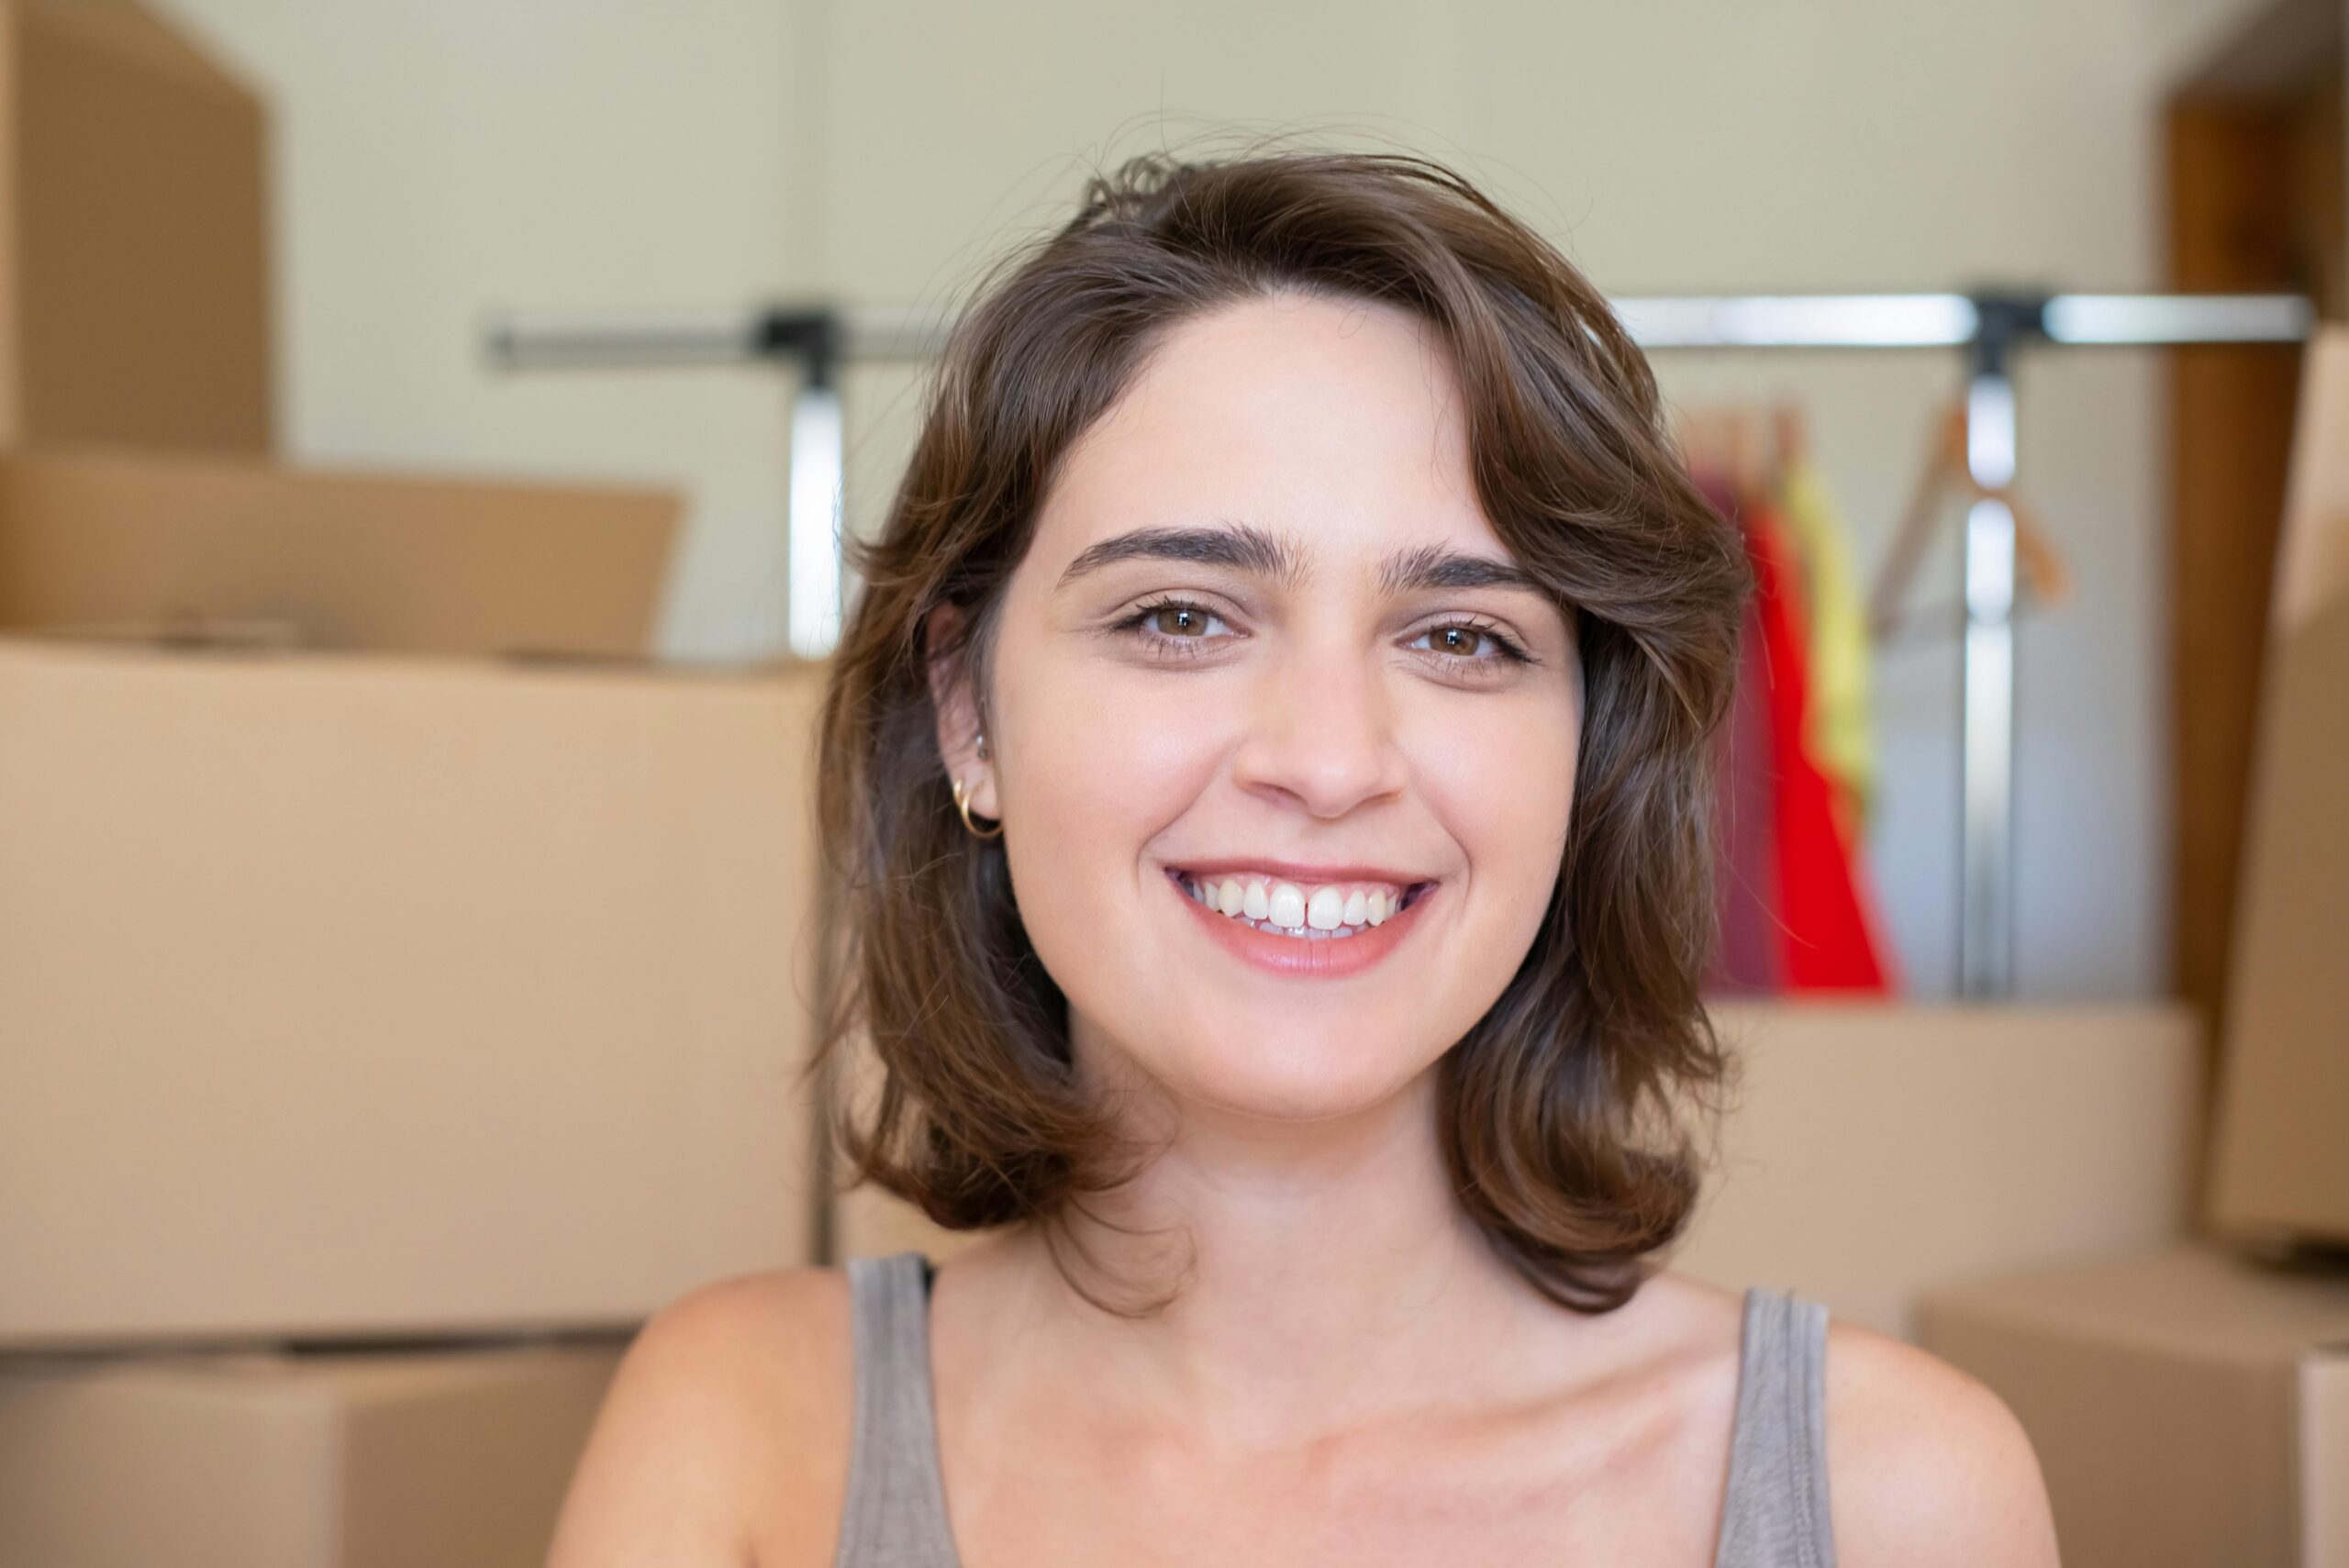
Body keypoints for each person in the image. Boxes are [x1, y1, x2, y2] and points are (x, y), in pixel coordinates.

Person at [544, 144, 2060, 1568]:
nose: (1329, 761)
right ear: (968, 711)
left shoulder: (1890, 1493)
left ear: (1583, 756)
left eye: (1463, 636)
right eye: (1181, 616)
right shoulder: (739, 1439)